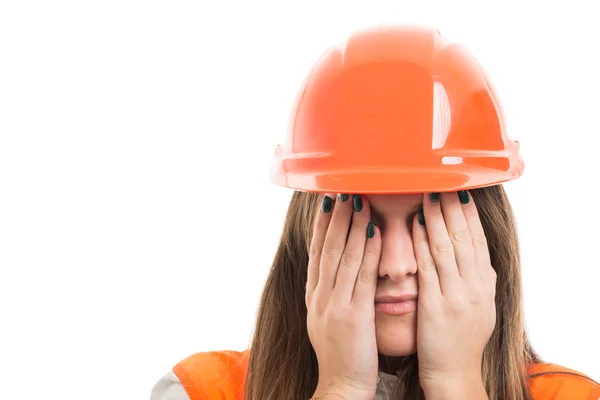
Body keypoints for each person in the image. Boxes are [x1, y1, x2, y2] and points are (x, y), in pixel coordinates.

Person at [150, 24, 600, 400]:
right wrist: (341, 387)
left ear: (485, 237)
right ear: (307, 233)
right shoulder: (203, 390)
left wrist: (457, 384)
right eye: (367, 226)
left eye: (428, 222)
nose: (396, 265)